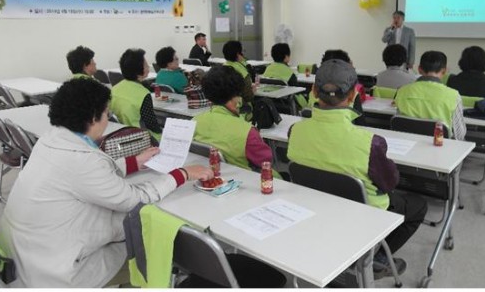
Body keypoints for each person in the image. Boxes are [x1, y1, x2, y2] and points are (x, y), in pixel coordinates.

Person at [0, 78, 213, 288]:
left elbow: (87, 179)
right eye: (106, 113)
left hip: (27, 256)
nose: (107, 119)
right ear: (93, 117)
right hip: (59, 273)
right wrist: (182, 174)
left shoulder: (50, 141)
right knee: (144, 241)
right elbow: (135, 200)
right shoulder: (82, 160)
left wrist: (133, 162)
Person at [287, 59, 427, 278]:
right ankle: (377, 259)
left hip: (316, 208)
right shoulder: (370, 142)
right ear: (353, 96)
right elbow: (390, 183)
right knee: (417, 206)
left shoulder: (295, 131)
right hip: (364, 215)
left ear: (313, 91)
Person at [193, 66, 277, 174]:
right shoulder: (248, 132)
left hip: (210, 176)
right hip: (244, 181)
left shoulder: (194, 122)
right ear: (234, 98)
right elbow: (266, 160)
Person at [395, 51, 466, 140]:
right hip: (440, 147)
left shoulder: (402, 91)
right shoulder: (454, 96)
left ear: (419, 69)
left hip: (407, 145)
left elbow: (399, 124)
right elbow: (459, 135)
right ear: (444, 71)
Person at [110, 49, 162, 140]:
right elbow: (151, 124)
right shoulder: (143, 93)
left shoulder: (114, 89)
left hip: (119, 135)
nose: (148, 67)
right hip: (139, 137)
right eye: (146, 65)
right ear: (138, 71)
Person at [223, 40, 255, 117]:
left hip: (222, 107)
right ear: (238, 54)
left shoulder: (221, 68)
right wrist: (252, 91)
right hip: (240, 109)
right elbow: (248, 96)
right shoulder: (243, 72)